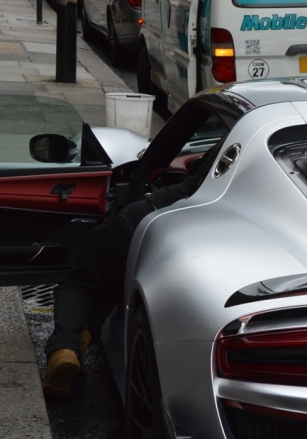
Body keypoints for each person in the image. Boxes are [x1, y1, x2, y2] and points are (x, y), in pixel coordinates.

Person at [42, 167, 210, 397]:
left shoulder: (235, 149)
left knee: (80, 281)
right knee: (112, 280)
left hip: (145, 218)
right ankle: (81, 339)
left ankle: (63, 350)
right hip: (175, 243)